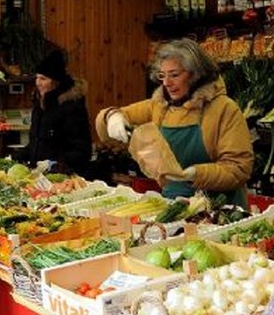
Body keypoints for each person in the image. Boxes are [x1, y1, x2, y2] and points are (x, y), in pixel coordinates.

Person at [95, 38, 253, 206]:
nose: (167, 83)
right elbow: (116, 118)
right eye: (162, 76)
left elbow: (239, 169)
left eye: (175, 75)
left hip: (222, 208)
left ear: (196, 74)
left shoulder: (224, 109)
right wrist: (111, 116)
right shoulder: (159, 106)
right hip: (174, 203)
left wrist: (197, 174)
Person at [13, 49, 92, 175]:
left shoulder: (71, 108)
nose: (38, 83)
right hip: (39, 176)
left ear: (55, 82)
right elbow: (37, 142)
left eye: (43, 79)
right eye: (37, 78)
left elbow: (82, 150)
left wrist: (55, 164)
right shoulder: (39, 105)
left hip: (64, 177)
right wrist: (17, 156)